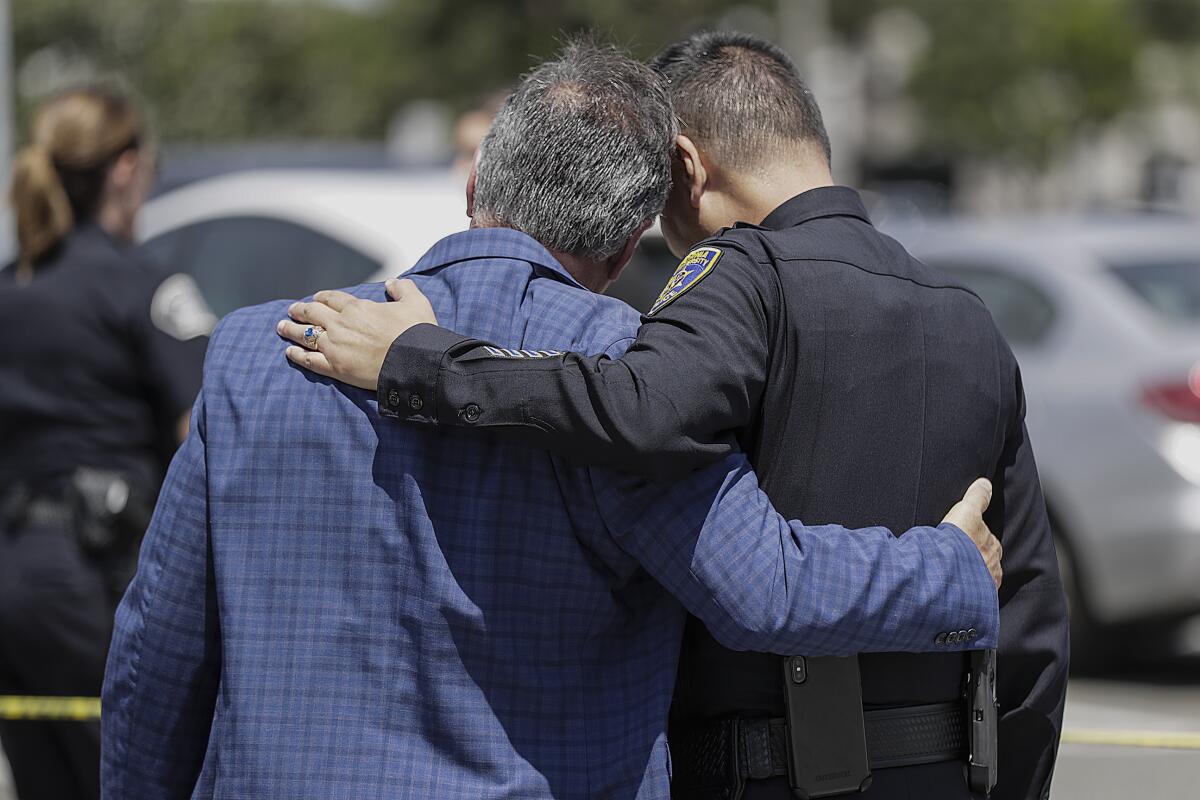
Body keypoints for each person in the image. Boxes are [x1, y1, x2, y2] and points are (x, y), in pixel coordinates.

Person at [103, 41, 1003, 799]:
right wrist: (950, 569)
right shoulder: (634, 375)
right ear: (625, 245)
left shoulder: (258, 351)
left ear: (475, 186)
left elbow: (157, 650)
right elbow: (768, 590)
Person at [0, 86, 209, 800]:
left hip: (14, 574)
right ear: (124, 168)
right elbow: (206, 430)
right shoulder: (142, 288)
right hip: (98, 578)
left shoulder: (11, 286)